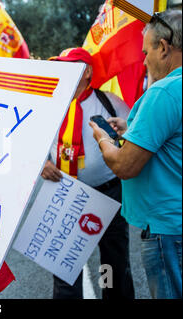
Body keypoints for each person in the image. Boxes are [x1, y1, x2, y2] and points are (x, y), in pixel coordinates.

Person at [90, 9, 182, 299]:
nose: (143, 61)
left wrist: (103, 139)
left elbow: (124, 165)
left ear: (164, 47)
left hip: (167, 228)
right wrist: (132, 127)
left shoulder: (164, 92)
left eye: (146, 52)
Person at [42, 47, 134, 299]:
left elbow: (134, 137)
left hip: (108, 194)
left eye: (70, 65)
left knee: (112, 263)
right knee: (63, 264)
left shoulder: (109, 102)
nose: (63, 70)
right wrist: (42, 164)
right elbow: (30, 139)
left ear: (87, 72)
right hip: (63, 193)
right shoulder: (50, 102)